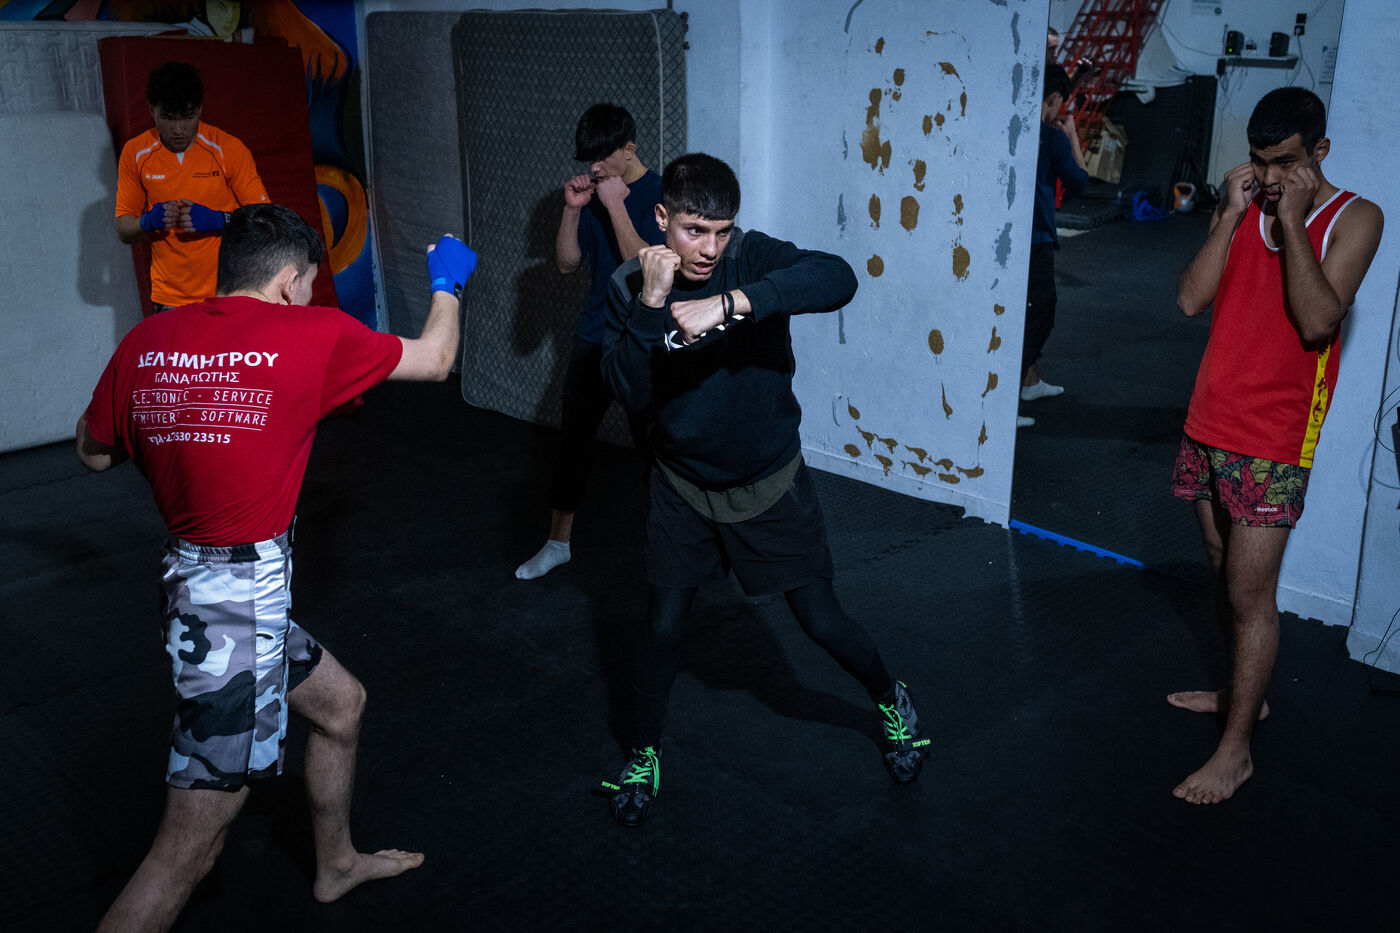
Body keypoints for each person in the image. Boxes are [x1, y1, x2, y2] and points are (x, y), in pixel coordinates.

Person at [79, 203, 477, 930]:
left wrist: (184, 414)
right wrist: (446, 282)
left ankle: (336, 864)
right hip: (240, 605)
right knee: (188, 849)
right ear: (292, 280)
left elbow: (94, 453)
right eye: (310, 282)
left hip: (193, 585)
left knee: (341, 705)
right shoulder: (314, 332)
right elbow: (436, 359)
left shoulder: (147, 339)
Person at [596, 153, 930, 827]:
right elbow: (627, 389)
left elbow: (837, 277)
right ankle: (644, 751)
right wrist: (654, 305)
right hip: (682, 485)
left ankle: (890, 697)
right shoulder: (630, 284)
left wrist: (731, 302)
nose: (709, 248)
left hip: (767, 480)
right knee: (661, 629)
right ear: (661, 218)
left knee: (821, 621)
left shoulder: (751, 259)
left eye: (720, 231)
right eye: (694, 230)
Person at [1170, 87, 1383, 805]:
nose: (1267, 176)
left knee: (1249, 593)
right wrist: (1230, 215)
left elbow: (1319, 320)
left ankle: (1235, 752)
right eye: (1258, 161)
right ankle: (1243, 696)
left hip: (1274, 438)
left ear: (1319, 152)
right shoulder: (1244, 203)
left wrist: (1291, 219)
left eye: (1284, 162)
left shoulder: (1355, 216)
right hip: (1209, 420)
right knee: (1219, 568)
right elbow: (1190, 300)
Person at [514, 103, 665, 580]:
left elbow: (646, 271)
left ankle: (673, 543)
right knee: (572, 444)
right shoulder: (594, 192)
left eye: (603, 158)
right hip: (594, 335)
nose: (595, 168)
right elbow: (566, 264)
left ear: (629, 149)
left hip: (643, 340)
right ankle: (557, 544)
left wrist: (616, 204)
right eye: (589, 160)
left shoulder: (663, 195)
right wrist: (572, 210)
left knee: (657, 449)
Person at [115, 61, 270, 311]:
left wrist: (220, 220)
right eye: (167, 118)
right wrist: (147, 221)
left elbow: (266, 220)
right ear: (151, 110)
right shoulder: (135, 153)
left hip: (229, 291)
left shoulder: (228, 149)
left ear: (200, 109)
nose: (178, 130)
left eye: (187, 118)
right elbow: (123, 229)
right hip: (169, 298)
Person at [1019, 63, 1089, 428]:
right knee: (1041, 314)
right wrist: (1073, 135)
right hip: (1034, 240)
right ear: (1054, 99)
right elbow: (1080, 184)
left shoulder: (1010, 128)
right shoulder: (1052, 139)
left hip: (1004, 240)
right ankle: (1005, 400)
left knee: (1019, 312)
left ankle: (1029, 382)